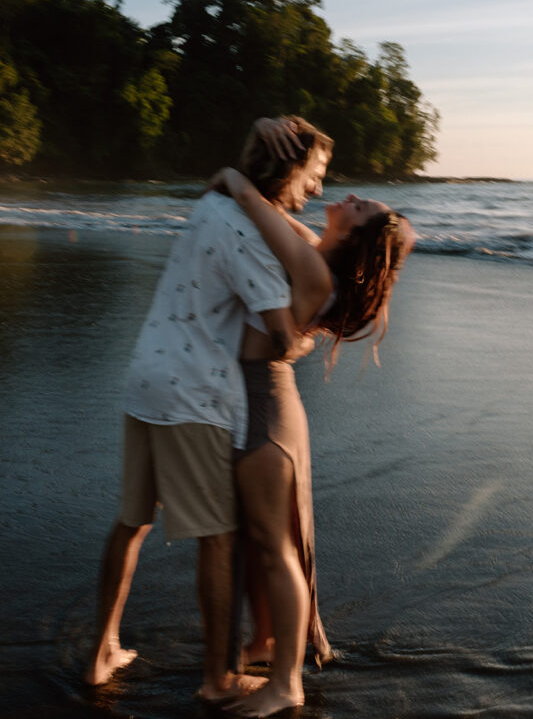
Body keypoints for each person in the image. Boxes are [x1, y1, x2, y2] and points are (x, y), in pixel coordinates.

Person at [83, 116, 332, 705]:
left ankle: (102, 652)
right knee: (218, 540)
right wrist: (307, 340)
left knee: (131, 522)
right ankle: (219, 680)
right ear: (289, 166)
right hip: (192, 394)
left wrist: (233, 175)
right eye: (316, 173)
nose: (318, 189)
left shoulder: (213, 204)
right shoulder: (247, 231)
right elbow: (278, 336)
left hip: (145, 376)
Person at [214, 128, 415, 718]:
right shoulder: (315, 251)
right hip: (264, 405)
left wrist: (230, 177)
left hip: (266, 413)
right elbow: (279, 216)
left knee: (276, 550)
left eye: (362, 209)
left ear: (357, 233)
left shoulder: (311, 263)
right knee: (264, 546)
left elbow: (252, 202)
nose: (348, 199)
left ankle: (287, 685)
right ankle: (263, 644)